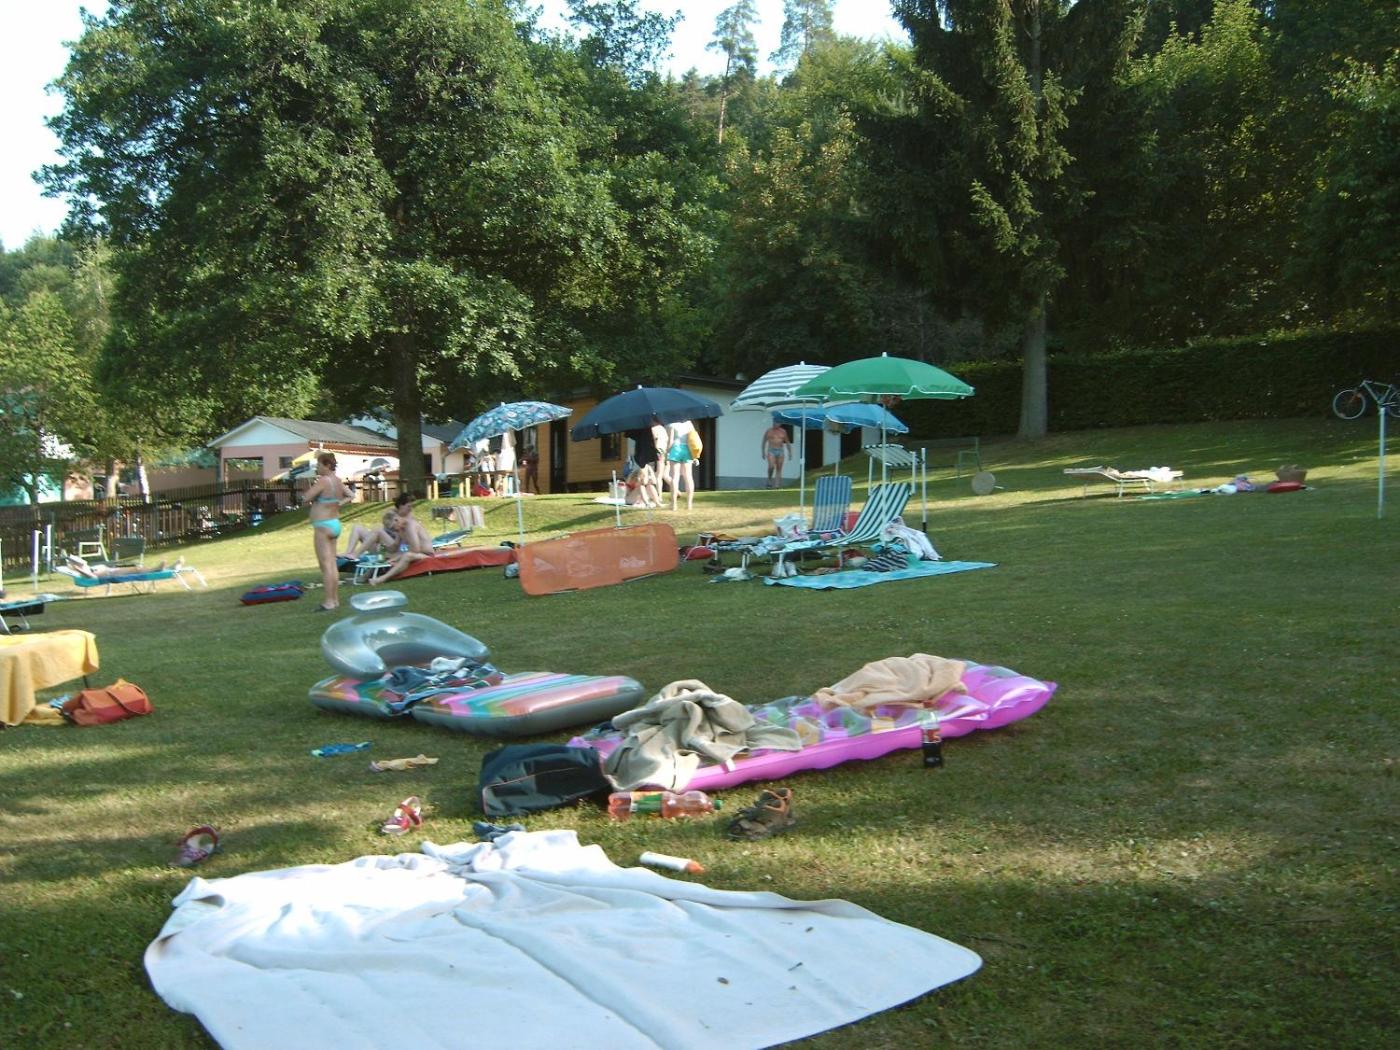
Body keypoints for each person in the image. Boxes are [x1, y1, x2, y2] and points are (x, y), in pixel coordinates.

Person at [305, 451, 352, 612]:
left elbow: (306, 498)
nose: (317, 468)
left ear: (327, 465)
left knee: (325, 566)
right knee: (332, 564)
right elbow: (351, 495)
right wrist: (337, 503)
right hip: (334, 523)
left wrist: (311, 489)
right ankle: (335, 599)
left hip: (322, 526)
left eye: (318, 465)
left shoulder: (323, 481)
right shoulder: (338, 481)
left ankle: (329, 602)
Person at [66, 553, 182, 581]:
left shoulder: (87, 567)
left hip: (113, 571)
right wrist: (77, 568)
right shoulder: (84, 571)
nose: (80, 558)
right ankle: (158, 569)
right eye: (77, 559)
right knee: (137, 569)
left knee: (138, 568)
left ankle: (170, 568)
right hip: (112, 574)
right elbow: (93, 578)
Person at [666, 419, 698, 512]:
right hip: (687, 449)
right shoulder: (689, 423)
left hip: (675, 448)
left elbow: (670, 441)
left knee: (675, 477)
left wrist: (667, 452)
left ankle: (674, 504)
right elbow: (692, 438)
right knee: (688, 476)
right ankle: (689, 504)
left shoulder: (672, 424)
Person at [762, 418, 791, 489]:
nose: (775, 424)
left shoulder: (783, 431)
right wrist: (763, 452)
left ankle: (777, 485)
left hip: (780, 450)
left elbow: (787, 442)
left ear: (780, 424)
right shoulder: (769, 431)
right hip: (771, 450)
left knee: (779, 468)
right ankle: (769, 479)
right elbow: (764, 441)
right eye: (774, 423)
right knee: (771, 466)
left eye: (777, 423)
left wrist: (790, 453)